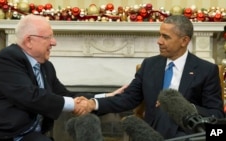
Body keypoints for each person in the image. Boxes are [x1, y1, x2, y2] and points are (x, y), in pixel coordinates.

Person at [0, 14, 126, 141]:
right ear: (29, 41)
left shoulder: (46, 66)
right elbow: (30, 96)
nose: (54, 42)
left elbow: (66, 95)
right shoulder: (8, 58)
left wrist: (104, 98)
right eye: (48, 37)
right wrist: (75, 105)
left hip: (27, 135)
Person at [80, 15, 225, 139]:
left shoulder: (205, 70)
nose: (159, 41)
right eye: (160, 35)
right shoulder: (150, 65)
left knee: (168, 109)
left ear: (184, 41)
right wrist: (94, 103)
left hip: (186, 133)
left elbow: (216, 114)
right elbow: (129, 98)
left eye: (166, 37)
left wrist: (182, 106)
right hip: (153, 132)